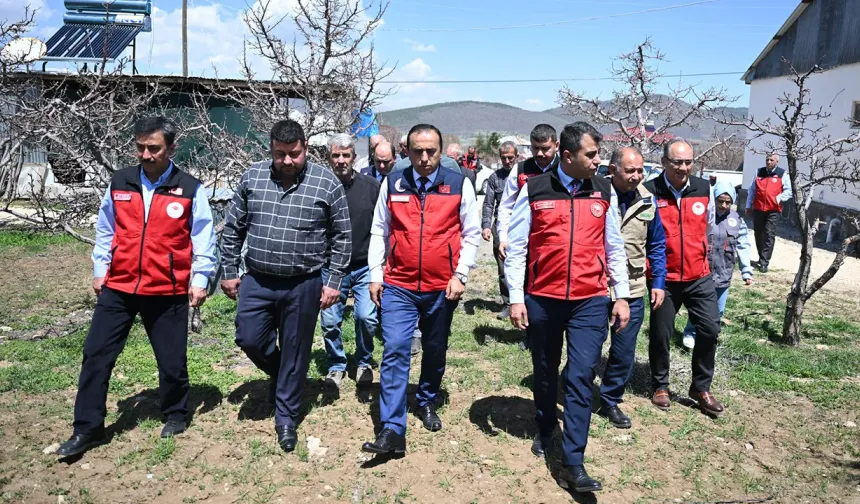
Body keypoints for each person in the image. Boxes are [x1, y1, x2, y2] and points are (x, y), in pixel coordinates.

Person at [56, 117, 216, 457]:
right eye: (140, 147)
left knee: (171, 361)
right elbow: (105, 228)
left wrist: (200, 279)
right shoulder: (120, 181)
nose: (146, 154)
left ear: (171, 149)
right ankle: (88, 428)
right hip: (120, 285)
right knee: (96, 355)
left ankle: (175, 412)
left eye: (153, 148)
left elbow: (203, 238)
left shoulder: (188, 188)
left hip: (167, 288)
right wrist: (101, 269)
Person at [506, 122, 631, 493]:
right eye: (591, 155)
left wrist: (620, 294)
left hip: (590, 300)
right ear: (568, 156)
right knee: (544, 370)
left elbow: (614, 246)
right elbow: (516, 248)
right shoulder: (535, 189)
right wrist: (516, 297)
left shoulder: (603, 191)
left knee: (579, 376)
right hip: (543, 298)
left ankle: (573, 463)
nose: (597, 161)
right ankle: (546, 426)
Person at [220, 119, 351, 453]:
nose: (288, 161)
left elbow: (342, 238)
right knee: (248, 337)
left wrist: (333, 281)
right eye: (281, 154)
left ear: (306, 148)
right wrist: (229, 270)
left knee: (295, 348)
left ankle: (286, 419)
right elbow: (233, 227)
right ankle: (285, 376)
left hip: (303, 282)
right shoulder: (252, 178)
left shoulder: (326, 183)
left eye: (294, 154)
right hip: (258, 279)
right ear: (271, 150)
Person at [361, 124, 480, 456]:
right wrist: (375, 274)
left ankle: (427, 399)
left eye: (431, 151)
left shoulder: (459, 185)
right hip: (399, 284)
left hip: (443, 286)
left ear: (441, 151)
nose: (424, 158)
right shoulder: (393, 184)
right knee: (396, 348)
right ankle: (392, 429)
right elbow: (379, 231)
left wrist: (460, 274)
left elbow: (471, 234)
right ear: (406, 151)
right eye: (417, 151)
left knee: (435, 347)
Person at [644, 138, 724, 418]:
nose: (683, 167)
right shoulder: (649, 190)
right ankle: (660, 385)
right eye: (677, 162)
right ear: (664, 163)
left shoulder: (704, 189)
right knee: (661, 333)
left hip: (698, 275)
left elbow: (710, 227)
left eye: (688, 161)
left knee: (710, 328)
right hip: (663, 277)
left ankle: (700, 388)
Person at [598, 147, 667, 429]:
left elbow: (657, 244)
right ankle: (573, 385)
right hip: (597, 286)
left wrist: (659, 282)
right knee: (589, 349)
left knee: (624, 351)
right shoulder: (596, 194)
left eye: (640, 170)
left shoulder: (648, 200)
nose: (637, 176)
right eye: (630, 171)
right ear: (613, 170)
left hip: (634, 286)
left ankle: (610, 399)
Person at [321, 134, 381, 391]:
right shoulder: (320, 186)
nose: (341, 160)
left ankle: (364, 362)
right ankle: (336, 364)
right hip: (330, 268)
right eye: (336, 155)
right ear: (329, 158)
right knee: (330, 321)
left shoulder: (371, 186)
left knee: (366, 318)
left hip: (364, 265)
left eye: (346, 155)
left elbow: (382, 226)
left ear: (354, 158)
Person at [683, 180, 753, 348]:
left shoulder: (737, 221)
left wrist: (746, 271)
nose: (723, 205)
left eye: (728, 202)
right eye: (720, 200)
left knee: (718, 310)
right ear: (713, 198)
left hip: (724, 273)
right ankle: (690, 333)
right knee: (698, 307)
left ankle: (707, 338)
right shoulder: (704, 216)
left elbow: (743, 245)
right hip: (702, 272)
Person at [496, 124, 560, 261]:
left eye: (545, 148)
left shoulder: (565, 169)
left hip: (557, 241)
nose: (539, 154)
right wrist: (504, 238)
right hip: (524, 241)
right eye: (535, 148)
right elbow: (506, 206)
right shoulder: (520, 170)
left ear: (557, 145)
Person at [481, 141, 517, 320]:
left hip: (520, 225)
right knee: (503, 267)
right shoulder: (495, 178)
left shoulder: (524, 175)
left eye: (511, 157)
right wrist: (486, 225)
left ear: (516, 157)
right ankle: (507, 302)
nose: (507, 161)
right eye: (504, 158)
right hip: (500, 226)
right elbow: (488, 203)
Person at [746, 152, 791, 273]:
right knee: (758, 233)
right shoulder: (759, 172)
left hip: (773, 210)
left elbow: (788, 191)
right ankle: (761, 257)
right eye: (767, 160)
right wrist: (748, 205)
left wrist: (778, 198)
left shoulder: (782, 174)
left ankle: (765, 262)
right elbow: (752, 190)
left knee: (769, 234)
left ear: (777, 162)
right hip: (758, 208)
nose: (769, 162)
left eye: (771, 160)